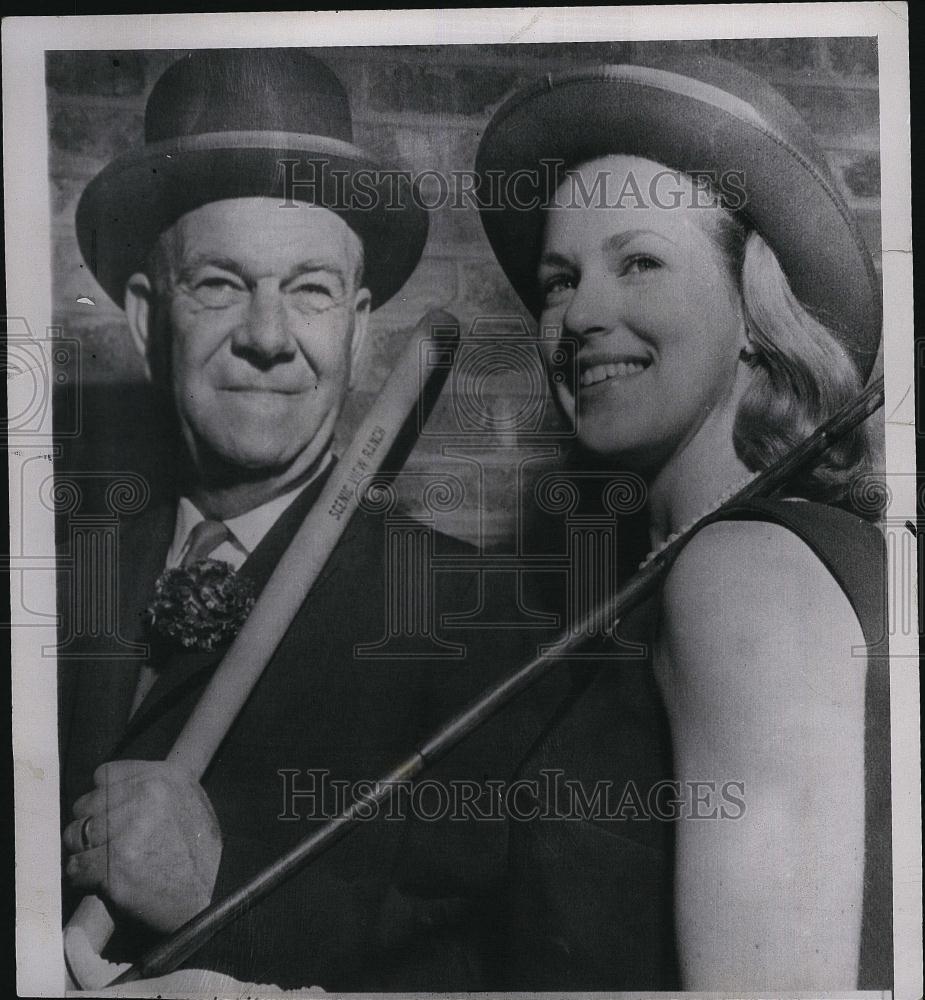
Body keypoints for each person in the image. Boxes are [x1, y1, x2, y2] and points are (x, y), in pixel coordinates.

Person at [57, 48, 558, 992]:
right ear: (146, 319)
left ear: (359, 331)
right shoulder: (51, 584)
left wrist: (222, 893)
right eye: (219, 283)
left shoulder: (473, 616)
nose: (268, 335)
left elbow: (500, 961)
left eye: (311, 290)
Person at [475, 56, 891, 990]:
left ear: (753, 310)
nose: (578, 316)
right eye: (557, 280)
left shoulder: (740, 572)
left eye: (639, 262)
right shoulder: (732, 559)